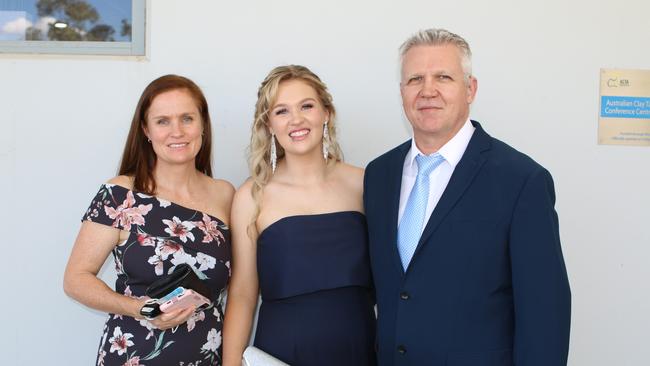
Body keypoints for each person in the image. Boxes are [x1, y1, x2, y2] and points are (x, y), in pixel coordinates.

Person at [363, 29, 571, 365]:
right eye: (415, 79)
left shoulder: (521, 181)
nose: (427, 90)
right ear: (401, 92)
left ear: (470, 89)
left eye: (443, 77)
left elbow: (545, 313)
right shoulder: (379, 175)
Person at [63, 75, 234, 365]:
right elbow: (75, 280)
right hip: (133, 356)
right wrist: (141, 309)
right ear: (146, 130)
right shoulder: (120, 194)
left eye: (187, 119)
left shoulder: (226, 195)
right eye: (163, 121)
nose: (176, 132)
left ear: (203, 124)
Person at [223, 65, 376, 366]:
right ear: (268, 124)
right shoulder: (251, 196)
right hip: (283, 351)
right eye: (281, 111)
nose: (297, 119)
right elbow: (242, 293)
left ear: (326, 113)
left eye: (307, 106)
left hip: (361, 348)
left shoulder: (364, 183)